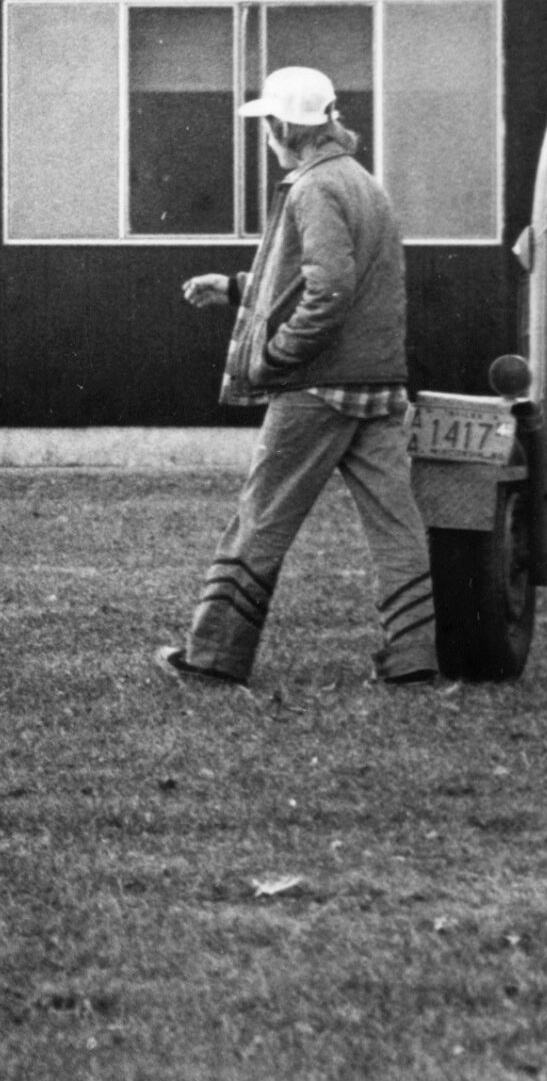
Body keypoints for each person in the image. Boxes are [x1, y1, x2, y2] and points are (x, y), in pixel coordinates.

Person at [155, 64, 437, 689]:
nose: (268, 137)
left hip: (318, 388)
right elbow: (325, 281)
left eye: (269, 126)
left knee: (261, 515)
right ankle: (415, 657)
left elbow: (327, 290)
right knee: (396, 524)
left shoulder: (312, 189)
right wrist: (231, 287)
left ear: (286, 126)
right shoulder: (364, 183)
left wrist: (278, 356)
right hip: (380, 385)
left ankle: (212, 657)